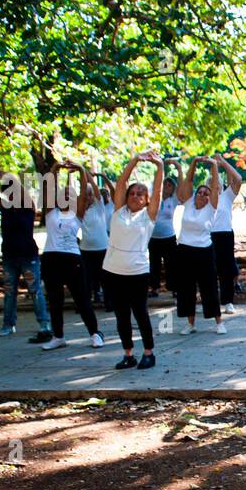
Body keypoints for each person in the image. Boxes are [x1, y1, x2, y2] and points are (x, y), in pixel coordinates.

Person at [104, 152, 164, 369]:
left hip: (137, 272)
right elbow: (121, 183)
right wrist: (135, 160)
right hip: (113, 270)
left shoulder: (149, 215)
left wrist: (159, 166)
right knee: (121, 316)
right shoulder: (119, 210)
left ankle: (149, 352)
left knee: (140, 313)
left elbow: (157, 190)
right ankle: (128, 354)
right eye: (133, 193)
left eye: (141, 194)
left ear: (147, 199)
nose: (136, 195)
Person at [39, 161, 104, 351]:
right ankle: (58, 336)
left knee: (82, 299)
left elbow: (85, 191)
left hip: (72, 259)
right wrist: (53, 169)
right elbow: (47, 189)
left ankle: (95, 333)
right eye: (63, 194)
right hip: (51, 258)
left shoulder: (78, 213)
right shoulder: (51, 212)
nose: (66, 196)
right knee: (55, 300)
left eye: (70, 194)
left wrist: (81, 170)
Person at [0, 168, 52, 343]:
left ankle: (44, 323)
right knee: (9, 292)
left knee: (35, 291)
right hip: (9, 257)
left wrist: (9, 177)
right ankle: (8, 324)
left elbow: (22, 192)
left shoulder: (27, 207)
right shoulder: (5, 209)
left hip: (28, 256)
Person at [173, 157, 226, 335]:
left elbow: (216, 185)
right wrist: (194, 162)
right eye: (200, 192)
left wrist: (213, 165)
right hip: (185, 250)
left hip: (204, 251)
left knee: (209, 287)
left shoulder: (211, 208)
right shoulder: (188, 203)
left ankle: (219, 322)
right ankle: (190, 323)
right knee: (187, 287)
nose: (202, 195)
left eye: (206, 193)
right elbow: (187, 181)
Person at [210, 153, 243, 314]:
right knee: (209, 271)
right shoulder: (204, 199)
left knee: (227, 270)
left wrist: (222, 162)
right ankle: (211, 302)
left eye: (218, 184)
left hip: (224, 235)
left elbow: (237, 179)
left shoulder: (227, 197)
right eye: (212, 184)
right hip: (208, 236)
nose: (216, 186)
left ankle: (228, 301)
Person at [147, 160, 181, 297]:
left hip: (168, 237)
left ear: (173, 188)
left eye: (170, 185)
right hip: (153, 237)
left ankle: (173, 288)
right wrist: (160, 166)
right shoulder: (154, 198)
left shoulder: (173, 200)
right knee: (154, 264)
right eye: (165, 183)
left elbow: (182, 186)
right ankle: (154, 288)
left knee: (171, 264)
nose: (167, 186)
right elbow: (156, 181)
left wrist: (178, 167)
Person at [81, 171, 113, 309]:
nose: (88, 197)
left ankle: (109, 302)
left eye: (90, 194)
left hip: (102, 248)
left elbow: (94, 187)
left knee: (105, 278)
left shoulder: (99, 207)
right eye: (86, 195)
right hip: (86, 250)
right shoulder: (80, 210)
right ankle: (86, 304)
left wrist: (86, 172)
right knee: (86, 279)